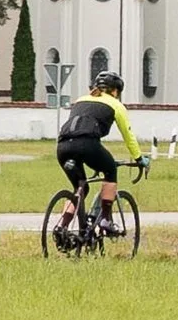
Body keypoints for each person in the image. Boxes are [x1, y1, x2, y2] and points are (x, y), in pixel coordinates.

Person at [57, 70, 143, 226]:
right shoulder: (116, 105)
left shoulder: (80, 100)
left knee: (80, 189)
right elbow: (128, 136)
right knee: (110, 170)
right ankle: (105, 218)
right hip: (87, 145)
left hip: (63, 146)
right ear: (115, 90)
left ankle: (62, 228)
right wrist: (139, 158)